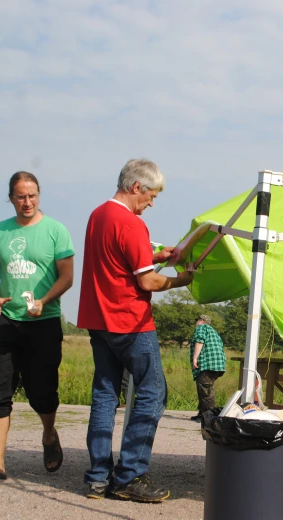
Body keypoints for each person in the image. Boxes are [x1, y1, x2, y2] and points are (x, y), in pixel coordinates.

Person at [77, 158, 194, 502]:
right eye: (151, 195)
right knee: (153, 392)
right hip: (130, 321)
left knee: (105, 395)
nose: (152, 203)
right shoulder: (131, 224)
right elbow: (147, 281)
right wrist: (180, 280)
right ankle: (129, 476)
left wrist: (158, 255)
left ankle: (98, 477)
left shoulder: (98, 215)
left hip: (98, 320)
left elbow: (120, 261)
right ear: (136, 188)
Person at [0, 171, 75, 481]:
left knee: (41, 392)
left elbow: (66, 277)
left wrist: (43, 300)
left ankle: (48, 434)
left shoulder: (56, 231)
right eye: (20, 196)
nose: (27, 202)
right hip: (5, 321)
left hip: (43, 322)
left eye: (32, 196)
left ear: (38, 196)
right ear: (11, 198)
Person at [189, 314, 226, 422]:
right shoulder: (213, 332)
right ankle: (202, 414)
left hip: (208, 364)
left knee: (205, 390)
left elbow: (199, 341)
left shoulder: (201, 328)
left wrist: (195, 358)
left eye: (197, 320)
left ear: (201, 320)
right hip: (218, 365)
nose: (196, 323)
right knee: (205, 387)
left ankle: (208, 417)